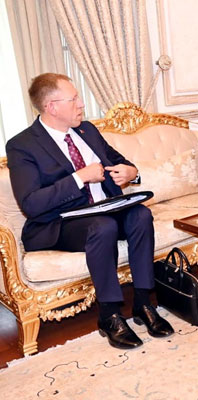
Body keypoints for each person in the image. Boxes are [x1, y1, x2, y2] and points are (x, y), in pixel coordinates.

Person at [6, 73, 174, 349]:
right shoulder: (22, 146)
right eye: (73, 99)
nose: (81, 104)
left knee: (141, 214)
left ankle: (144, 304)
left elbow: (120, 161)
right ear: (52, 107)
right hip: (60, 223)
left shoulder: (87, 131)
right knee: (103, 227)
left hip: (105, 210)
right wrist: (79, 177)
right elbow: (31, 204)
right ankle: (109, 315)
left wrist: (131, 173)